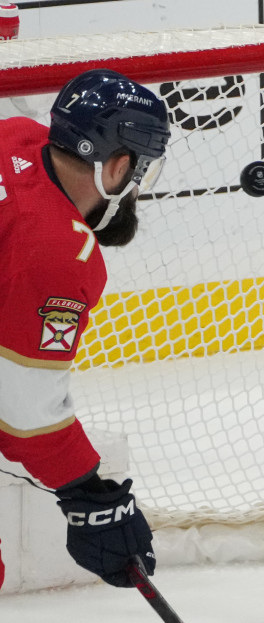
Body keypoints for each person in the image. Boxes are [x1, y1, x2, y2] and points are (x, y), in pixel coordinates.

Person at [0, 69, 170, 587]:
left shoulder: (16, 137)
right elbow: (25, 407)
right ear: (117, 165)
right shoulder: (60, 252)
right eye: (138, 171)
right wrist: (87, 493)